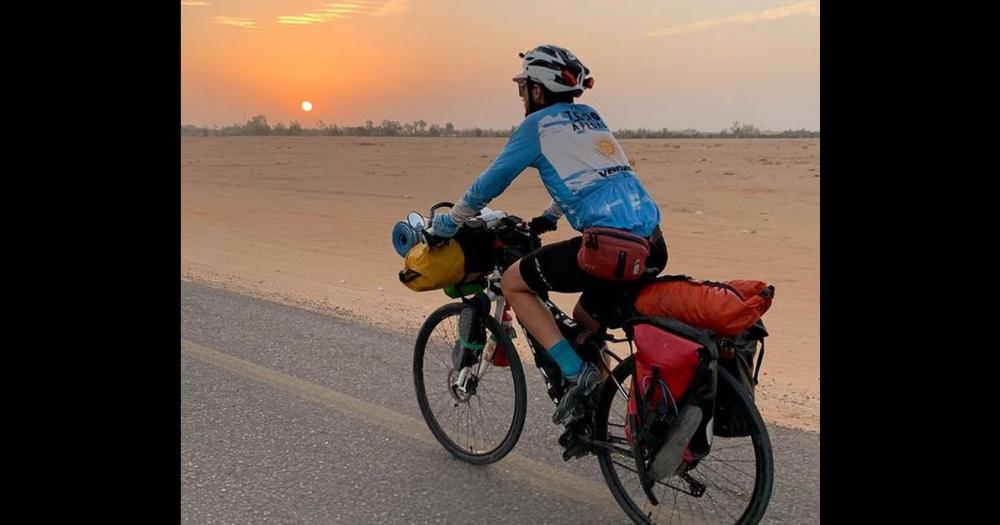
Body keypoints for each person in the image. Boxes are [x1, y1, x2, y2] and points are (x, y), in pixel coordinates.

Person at [427, 44, 667, 427]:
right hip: (652, 244)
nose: (522, 97)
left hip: (610, 247)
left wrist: (450, 222)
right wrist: (549, 217)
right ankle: (602, 409)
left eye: (524, 88)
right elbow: (594, 173)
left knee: (514, 282)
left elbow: (490, 183)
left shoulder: (535, 127)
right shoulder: (590, 117)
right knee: (587, 319)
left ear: (538, 91)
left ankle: (577, 374)